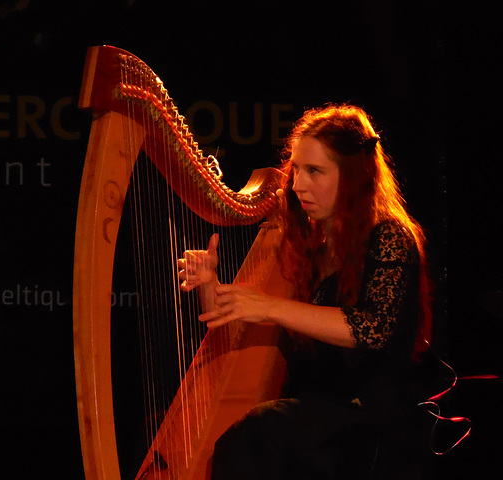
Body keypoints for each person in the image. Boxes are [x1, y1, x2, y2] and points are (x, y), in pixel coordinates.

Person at [177, 104, 434, 479]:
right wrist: (209, 285)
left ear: (353, 176)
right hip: (314, 415)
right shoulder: (305, 240)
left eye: (315, 171)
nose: (297, 184)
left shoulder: (390, 236)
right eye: (296, 169)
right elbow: (229, 325)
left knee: (260, 430)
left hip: (369, 423)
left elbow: (373, 329)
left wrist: (270, 307)